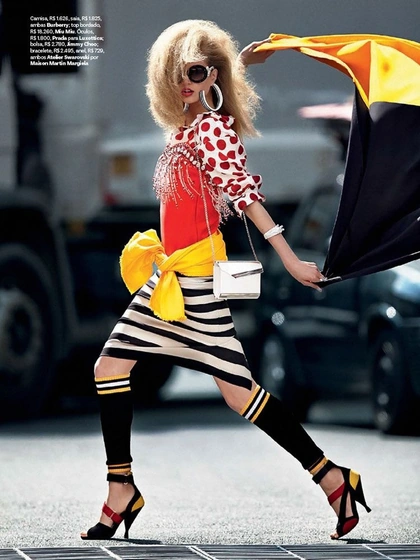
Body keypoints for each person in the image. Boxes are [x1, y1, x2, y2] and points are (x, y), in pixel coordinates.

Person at [80, 20, 370, 542]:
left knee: (239, 394)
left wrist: (289, 259)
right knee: (111, 365)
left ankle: (332, 477)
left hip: (196, 282)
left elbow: (245, 196)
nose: (185, 83)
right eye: (178, 73)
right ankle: (120, 487)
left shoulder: (212, 130)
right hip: (170, 275)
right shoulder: (185, 130)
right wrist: (234, 64)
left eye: (196, 73)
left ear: (212, 76)